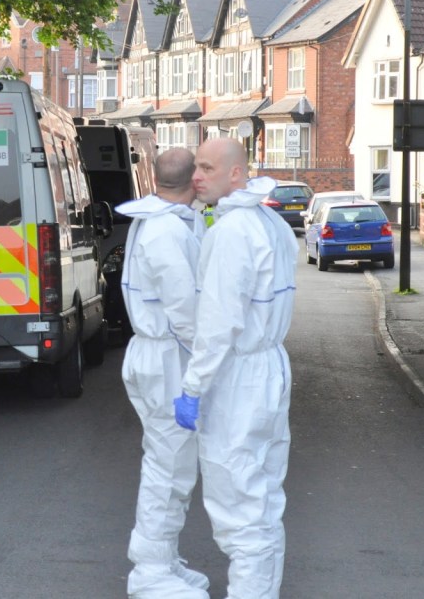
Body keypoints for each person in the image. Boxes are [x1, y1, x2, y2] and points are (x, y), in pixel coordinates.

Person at [173, 137, 298, 599]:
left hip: (239, 378)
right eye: (196, 167)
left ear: (237, 174)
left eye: (207, 168)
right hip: (269, 368)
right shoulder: (271, 222)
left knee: (237, 507)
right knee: (263, 501)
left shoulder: (231, 233)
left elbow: (219, 323)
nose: (196, 177)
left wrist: (193, 386)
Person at [117, 147, 210, 599]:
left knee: (171, 463)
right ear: (193, 181)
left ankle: (163, 560)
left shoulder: (155, 220)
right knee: (169, 467)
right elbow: (185, 311)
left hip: (157, 352)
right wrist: (210, 365)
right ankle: (151, 571)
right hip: (168, 357)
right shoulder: (167, 231)